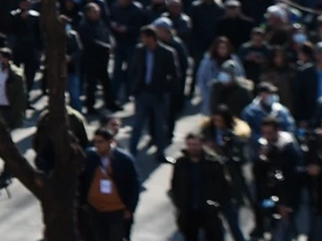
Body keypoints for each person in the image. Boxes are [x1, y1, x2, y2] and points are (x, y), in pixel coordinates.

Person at [80, 126, 140, 241]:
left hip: (116, 210)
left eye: (100, 142)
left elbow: (133, 185)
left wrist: (130, 208)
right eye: (95, 142)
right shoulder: (90, 157)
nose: (97, 145)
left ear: (110, 142)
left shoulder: (124, 160)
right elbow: (82, 180)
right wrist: (83, 202)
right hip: (95, 208)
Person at [128, 25, 178, 155]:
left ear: (151, 38)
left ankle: (161, 153)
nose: (142, 40)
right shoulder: (139, 51)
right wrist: (134, 87)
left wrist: (166, 89)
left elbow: (174, 74)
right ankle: (131, 153)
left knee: (160, 126)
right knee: (137, 124)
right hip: (142, 92)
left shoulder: (167, 52)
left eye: (144, 37)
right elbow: (133, 69)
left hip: (159, 94)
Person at [169, 133, 229, 241]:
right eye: (190, 145)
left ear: (201, 145)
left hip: (209, 212)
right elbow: (175, 185)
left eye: (195, 144)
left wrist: (217, 204)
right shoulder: (181, 163)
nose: (193, 148)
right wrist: (179, 204)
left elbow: (223, 186)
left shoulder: (213, 164)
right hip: (188, 212)